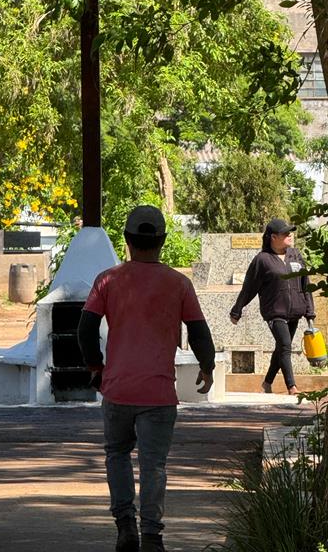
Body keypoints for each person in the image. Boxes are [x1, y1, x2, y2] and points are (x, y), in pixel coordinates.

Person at [77, 205, 216, 552]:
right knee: (154, 465)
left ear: (126, 240)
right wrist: (207, 366)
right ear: (163, 241)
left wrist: (96, 367)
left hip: (117, 390)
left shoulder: (107, 280)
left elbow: (85, 328)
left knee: (117, 454)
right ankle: (152, 535)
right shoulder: (178, 283)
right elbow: (199, 331)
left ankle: (125, 526)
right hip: (158, 394)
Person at [230, 217, 315, 395]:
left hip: (295, 312)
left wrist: (310, 311)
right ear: (273, 238)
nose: (290, 235)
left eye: (290, 232)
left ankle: (267, 383)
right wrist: (237, 310)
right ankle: (292, 386)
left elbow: (305, 283)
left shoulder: (296, 255)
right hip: (275, 312)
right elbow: (249, 288)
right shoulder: (262, 260)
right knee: (285, 345)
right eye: (285, 233)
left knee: (281, 348)